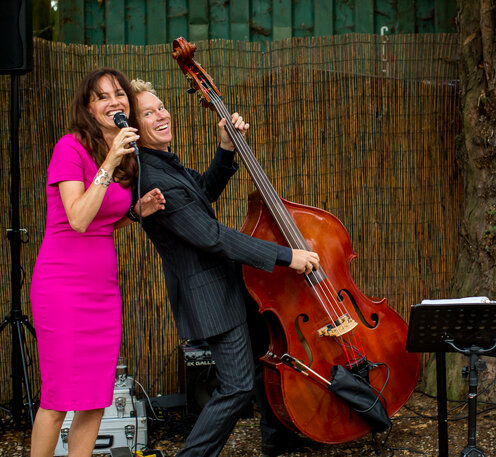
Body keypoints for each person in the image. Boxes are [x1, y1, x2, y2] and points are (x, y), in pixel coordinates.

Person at [129, 79, 321, 457]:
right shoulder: (151, 178)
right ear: (134, 129)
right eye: (148, 113)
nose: (161, 115)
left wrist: (226, 149)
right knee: (236, 386)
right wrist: (286, 256)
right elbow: (212, 235)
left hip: (229, 284)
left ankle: (277, 438)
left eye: (161, 106)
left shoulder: (164, 164)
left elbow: (201, 194)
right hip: (211, 295)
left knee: (268, 356)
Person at [30, 68, 165, 457]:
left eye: (119, 94)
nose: (114, 102)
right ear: (89, 108)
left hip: (101, 289)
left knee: (94, 398)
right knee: (57, 399)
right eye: (102, 96)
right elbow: (78, 218)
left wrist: (137, 211)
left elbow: (105, 219)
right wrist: (107, 162)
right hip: (62, 286)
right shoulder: (70, 148)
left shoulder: (126, 160)